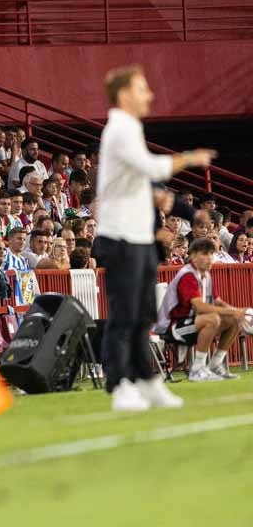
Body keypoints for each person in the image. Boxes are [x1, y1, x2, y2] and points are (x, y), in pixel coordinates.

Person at [94, 65, 215, 412]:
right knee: (124, 314)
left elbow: (147, 186)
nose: (149, 94)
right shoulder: (119, 127)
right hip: (119, 237)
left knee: (143, 314)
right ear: (123, 95)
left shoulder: (130, 128)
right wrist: (190, 158)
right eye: (142, 88)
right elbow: (152, 168)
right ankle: (120, 385)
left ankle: (147, 382)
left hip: (139, 238)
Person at [154, 238, 243, 382]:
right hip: (172, 328)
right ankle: (197, 369)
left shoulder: (206, 274)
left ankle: (215, 365)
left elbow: (218, 302)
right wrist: (233, 311)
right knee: (212, 319)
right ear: (193, 256)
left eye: (211, 254)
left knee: (234, 320)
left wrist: (239, 312)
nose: (209, 258)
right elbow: (199, 306)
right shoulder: (188, 275)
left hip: (191, 323)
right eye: (204, 254)